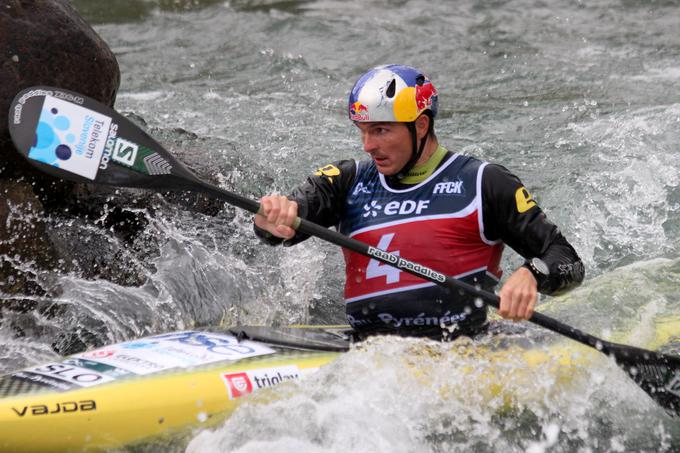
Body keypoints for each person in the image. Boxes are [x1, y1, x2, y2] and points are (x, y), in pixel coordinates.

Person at [253, 64, 584, 339]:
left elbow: (566, 258)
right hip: (365, 346)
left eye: (381, 130)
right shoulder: (346, 180)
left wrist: (532, 273)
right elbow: (286, 220)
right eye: (363, 131)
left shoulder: (484, 183)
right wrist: (272, 218)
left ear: (421, 125)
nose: (368, 145)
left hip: (458, 347)